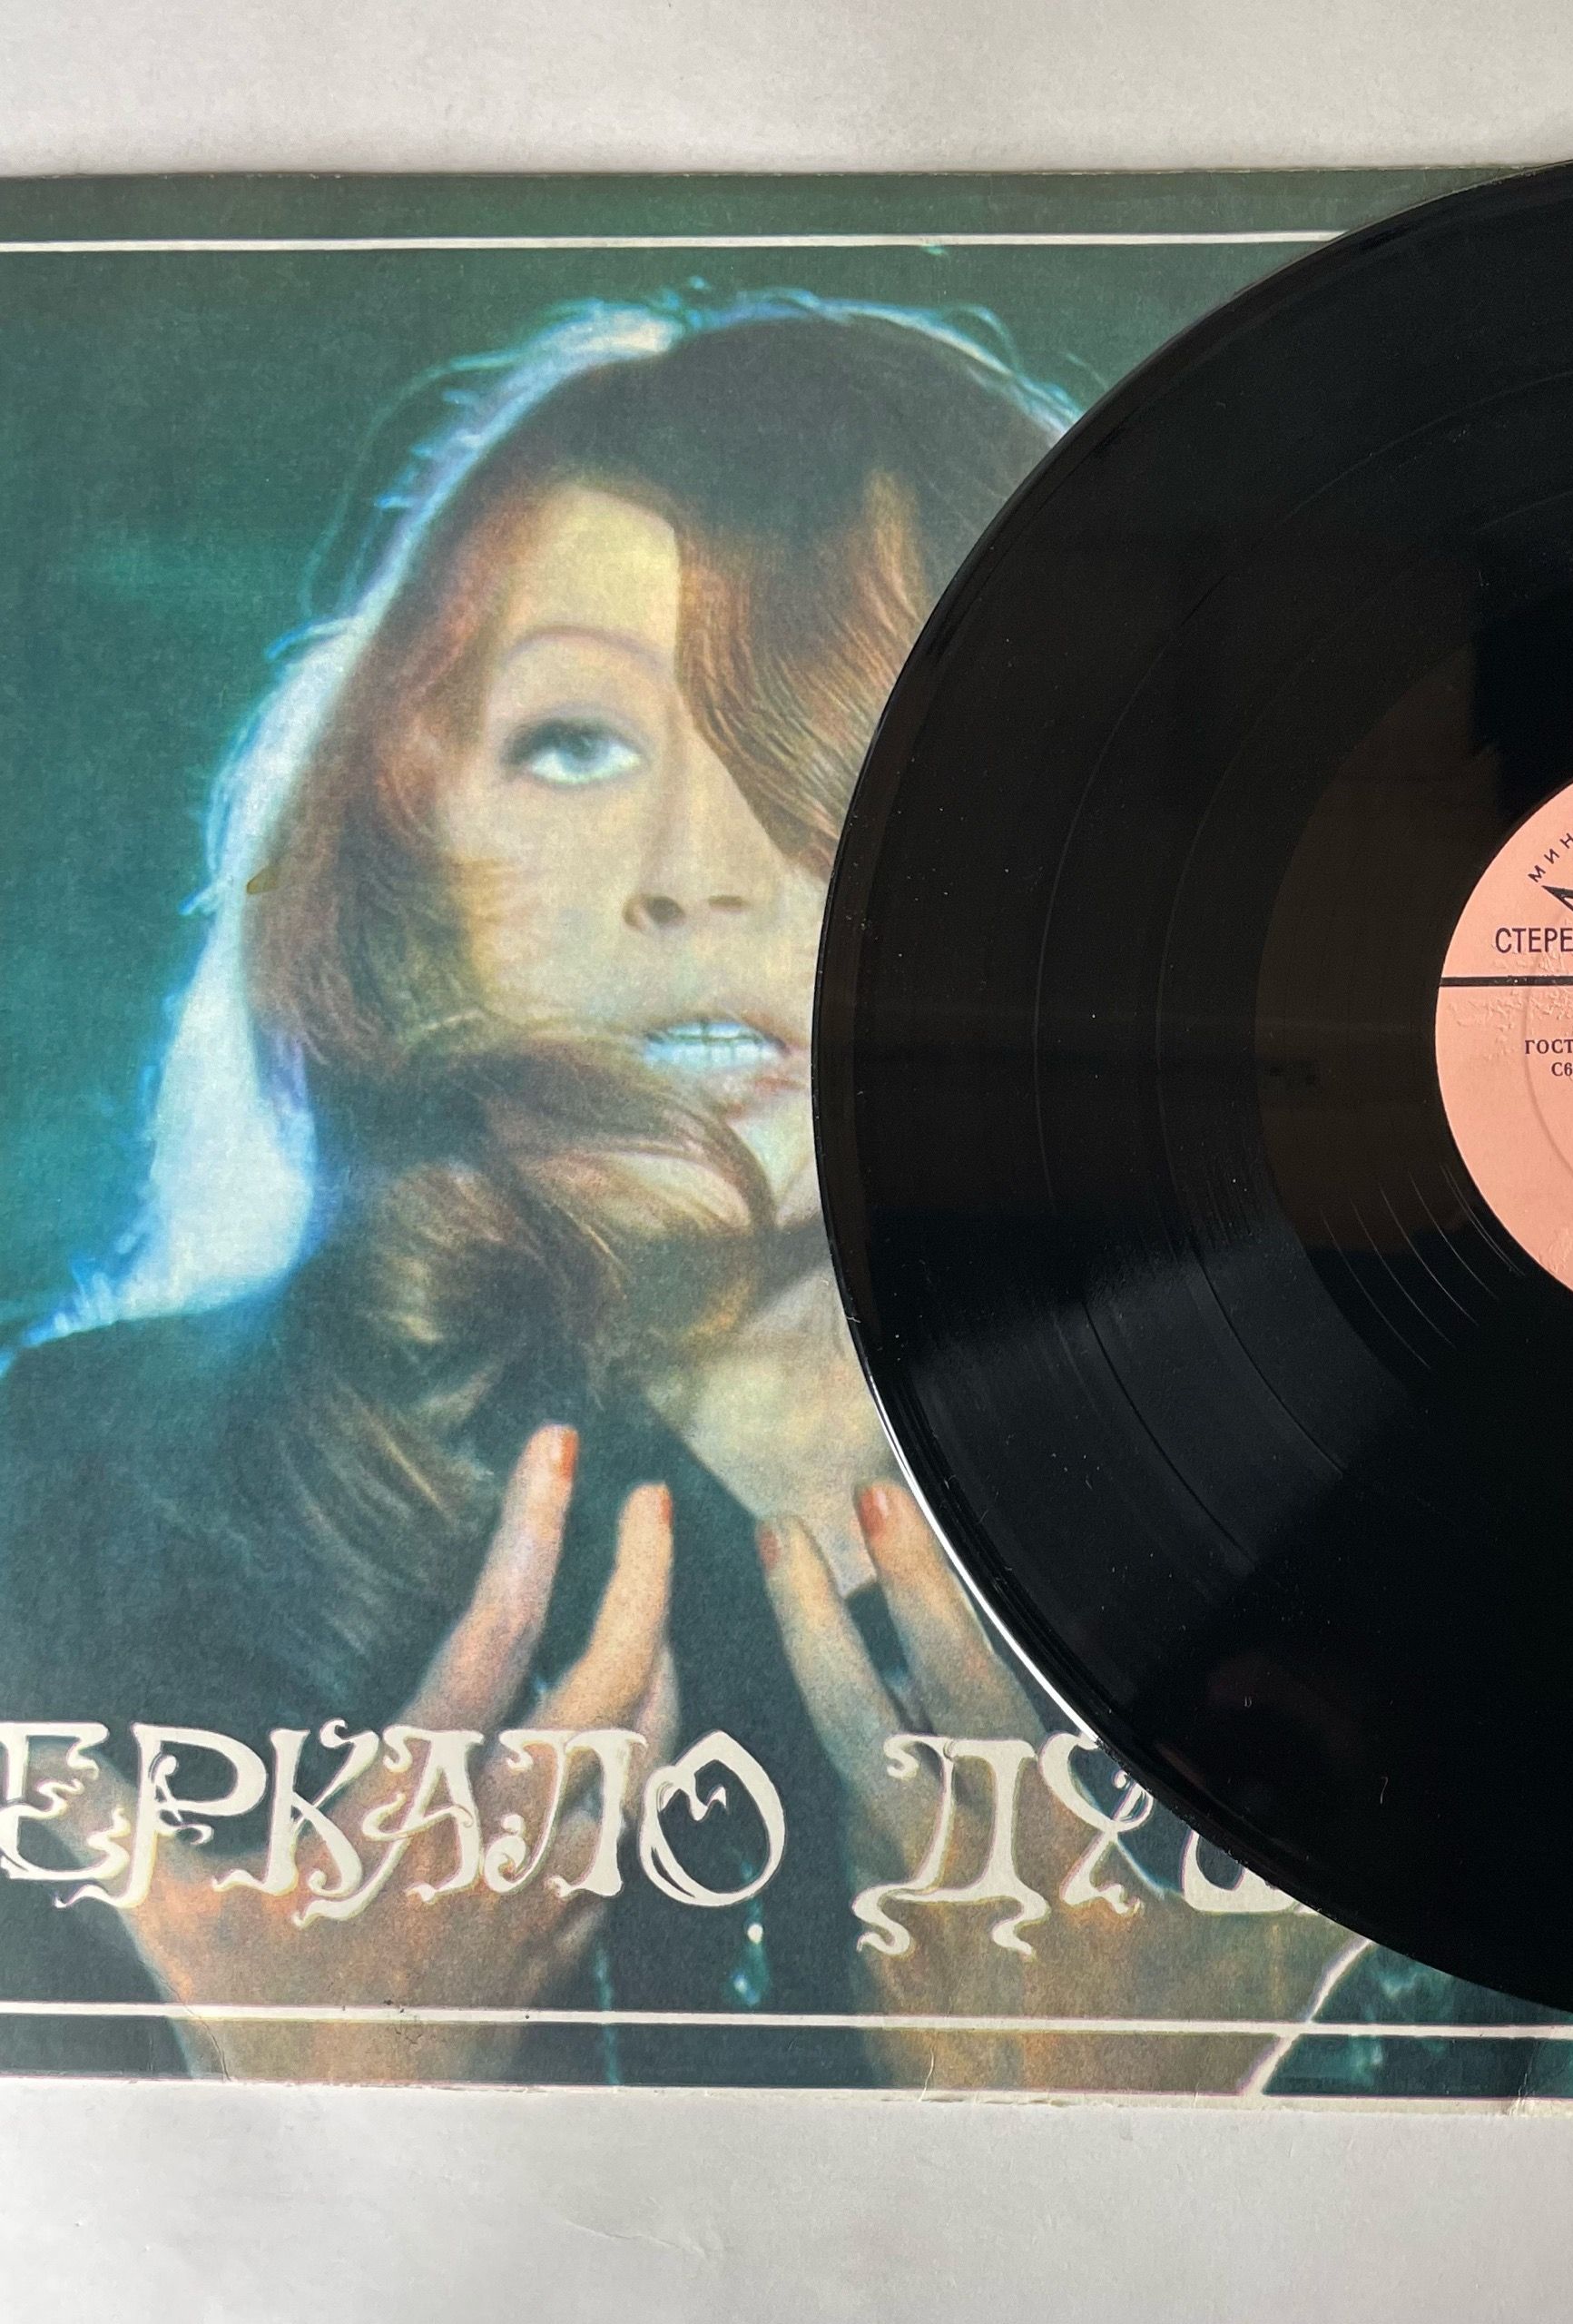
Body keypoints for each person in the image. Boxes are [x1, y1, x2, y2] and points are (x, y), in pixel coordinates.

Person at [0, 292, 1353, 2091]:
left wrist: (1154, 2141)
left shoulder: (1373, 1536)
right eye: (576, 742)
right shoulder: (81, 1493)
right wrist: (313, 2121)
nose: (688, 876)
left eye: (833, 744)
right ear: (409, 842)